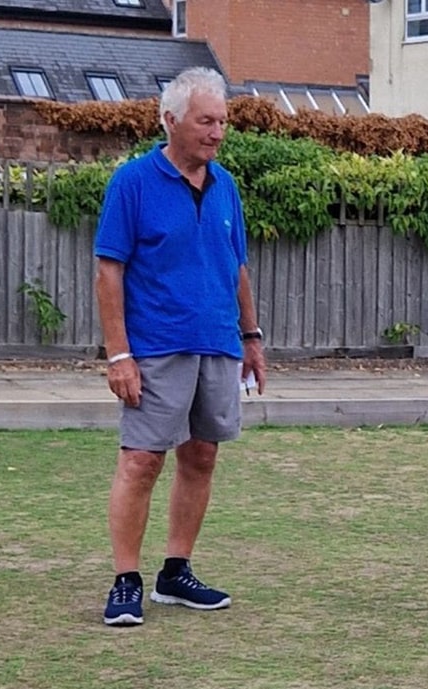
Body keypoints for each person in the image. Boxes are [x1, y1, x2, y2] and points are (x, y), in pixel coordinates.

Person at [94, 67, 266, 627]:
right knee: (141, 460)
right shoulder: (133, 182)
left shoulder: (227, 186)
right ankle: (125, 580)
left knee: (202, 455)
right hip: (155, 347)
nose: (217, 133)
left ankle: (175, 572)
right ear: (170, 120)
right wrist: (118, 354)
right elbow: (109, 271)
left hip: (217, 343)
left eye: (222, 122)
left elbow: (236, 264)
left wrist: (251, 336)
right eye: (206, 121)